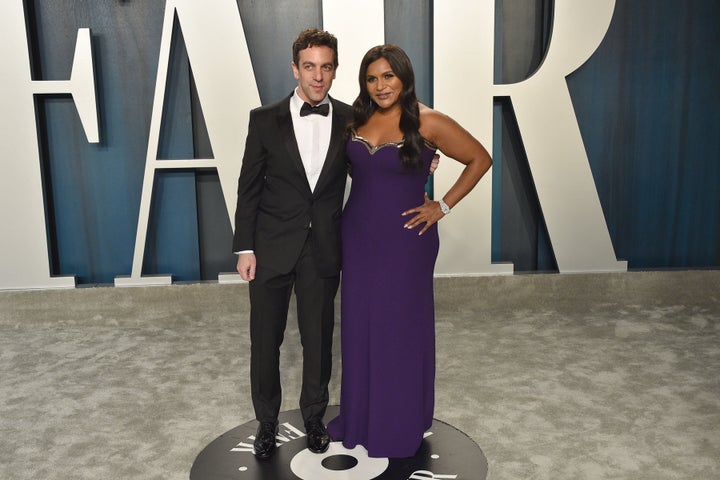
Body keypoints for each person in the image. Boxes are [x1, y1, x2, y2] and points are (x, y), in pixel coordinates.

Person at [326, 44, 492, 458]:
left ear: (404, 77)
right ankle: (361, 417)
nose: (380, 86)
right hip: (357, 236)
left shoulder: (428, 119)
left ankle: (398, 423)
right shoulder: (356, 118)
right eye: (371, 78)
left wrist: (443, 205)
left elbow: (479, 158)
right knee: (360, 326)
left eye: (388, 76)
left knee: (398, 329)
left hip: (406, 240)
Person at [232, 28, 352, 459]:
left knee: (318, 339)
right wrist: (244, 247)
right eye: (309, 66)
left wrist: (422, 158)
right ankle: (266, 424)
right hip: (269, 247)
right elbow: (248, 187)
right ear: (294, 68)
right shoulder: (264, 119)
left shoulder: (352, 119)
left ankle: (315, 418)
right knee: (265, 340)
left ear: (335, 70)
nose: (317, 76)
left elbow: (382, 160)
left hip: (323, 247)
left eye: (326, 67)